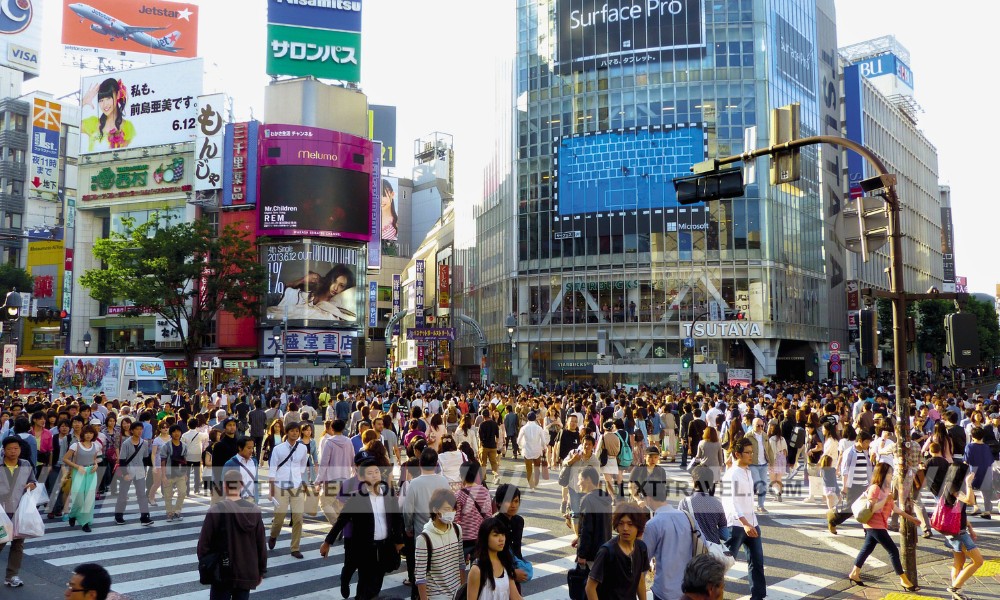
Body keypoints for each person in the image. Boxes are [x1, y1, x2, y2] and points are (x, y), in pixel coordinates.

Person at [321, 460, 404, 600]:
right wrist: (328, 542)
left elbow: (396, 519)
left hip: (384, 546)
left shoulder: (389, 494)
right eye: (370, 473)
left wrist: (399, 541)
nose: (375, 475)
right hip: (366, 548)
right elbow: (342, 520)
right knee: (365, 584)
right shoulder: (356, 498)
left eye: (377, 472)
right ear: (362, 477)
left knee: (377, 583)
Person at [846, 463, 919, 591]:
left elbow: (895, 508)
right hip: (874, 524)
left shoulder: (886, 490)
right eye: (890, 473)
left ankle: (854, 573)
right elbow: (872, 508)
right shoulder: (875, 488)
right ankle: (904, 580)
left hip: (879, 525)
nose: (892, 475)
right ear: (883, 474)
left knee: (867, 549)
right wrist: (886, 499)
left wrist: (912, 518)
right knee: (893, 551)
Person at [197, 470, 267, 600]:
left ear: (224, 485)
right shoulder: (254, 511)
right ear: (242, 485)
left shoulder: (215, 510)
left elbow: (203, 545)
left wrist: (207, 566)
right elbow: (261, 544)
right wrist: (261, 570)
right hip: (246, 572)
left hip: (222, 572)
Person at [402, 448, 451, 595]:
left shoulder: (414, 484)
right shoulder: (443, 480)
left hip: (421, 532)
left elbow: (407, 510)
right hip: (441, 530)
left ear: (420, 463)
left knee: (421, 568)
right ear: (436, 463)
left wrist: (408, 527)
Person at [722, 438, 766, 600]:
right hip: (736, 526)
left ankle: (758, 596)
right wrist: (745, 523)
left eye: (752, 452)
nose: (751, 455)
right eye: (747, 453)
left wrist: (751, 522)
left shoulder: (748, 471)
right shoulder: (731, 475)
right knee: (724, 564)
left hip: (752, 522)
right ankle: (710, 593)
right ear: (737, 454)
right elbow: (730, 502)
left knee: (757, 562)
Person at [643, 468, 693, 600]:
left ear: (648, 497)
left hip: (664, 590)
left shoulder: (653, 524)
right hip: (689, 588)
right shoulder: (687, 516)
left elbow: (643, 561)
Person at [585, 501, 650, 600]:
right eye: (621, 523)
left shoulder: (641, 548)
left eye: (630, 524)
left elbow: (640, 580)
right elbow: (590, 587)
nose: (625, 528)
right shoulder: (607, 552)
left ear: (638, 527)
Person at [940, 464, 985, 600]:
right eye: (967, 472)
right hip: (957, 532)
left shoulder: (952, 486)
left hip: (957, 529)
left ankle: (956, 595)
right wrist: (969, 484)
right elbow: (970, 501)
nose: (969, 474)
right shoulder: (952, 486)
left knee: (959, 562)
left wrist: (970, 528)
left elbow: (959, 511)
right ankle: (955, 587)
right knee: (978, 561)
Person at [415, 488, 467, 600]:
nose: (451, 513)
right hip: (436, 595)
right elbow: (420, 576)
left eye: (453, 509)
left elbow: (461, 563)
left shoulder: (457, 530)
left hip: (457, 592)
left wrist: (463, 591)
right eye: (447, 509)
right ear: (435, 510)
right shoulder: (424, 539)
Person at [268, 421, 309, 559]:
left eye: (297, 431)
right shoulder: (278, 449)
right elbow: (272, 470)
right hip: (280, 486)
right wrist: (271, 490)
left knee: (298, 518)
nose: (295, 433)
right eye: (292, 431)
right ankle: (273, 535)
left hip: (296, 486)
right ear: (287, 432)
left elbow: (303, 466)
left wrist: (299, 478)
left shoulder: (303, 448)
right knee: (279, 518)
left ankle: (295, 548)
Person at [0, 437, 37, 588]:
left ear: (20, 450)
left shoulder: (26, 464)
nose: (13, 451)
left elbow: (33, 481)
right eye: (10, 448)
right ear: (4, 450)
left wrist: (31, 485)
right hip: (2, 511)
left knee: (18, 544)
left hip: (19, 510)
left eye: (16, 448)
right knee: (1, 542)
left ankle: (12, 576)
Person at [266, 265, 357, 322]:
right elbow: (288, 285)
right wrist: (302, 280)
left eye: (341, 285)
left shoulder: (333, 307)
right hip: (281, 294)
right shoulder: (317, 283)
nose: (335, 288)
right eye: (334, 282)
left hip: (280, 305)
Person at [466, 515, 523, 600]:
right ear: (485, 538)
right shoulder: (477, 570)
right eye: (495, 535)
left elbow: (515, 597)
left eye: (503, 534)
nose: (501, 539)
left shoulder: (505, 563)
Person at [62, 424, 101, 532]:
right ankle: (73, 515)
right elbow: (65, 458)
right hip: (78, 472)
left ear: (94, 434)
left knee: (89, 499)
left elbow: (94, 459)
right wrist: (77, 467)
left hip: (91, 473)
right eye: (87, 433)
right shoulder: (76, 445)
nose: (88, 435)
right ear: (83, 434)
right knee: (79, 499)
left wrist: (96, 465)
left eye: (91, 433)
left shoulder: (96, 446)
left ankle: (85, 522)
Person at [114, 421, 153, 526]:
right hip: (127, 471)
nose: (139, 431)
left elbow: (145, 458)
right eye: (137, 429)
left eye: (141, 429)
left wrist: (144, 470)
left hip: (139, 471)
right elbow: (122, 460)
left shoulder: (144, 443)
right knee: (123, 494)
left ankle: (144, 517)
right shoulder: (126, 443)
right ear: (132, 430)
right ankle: (118, 516)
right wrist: (125, 473)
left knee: (142, 494)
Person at [81, 77, 135, 152]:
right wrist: (83, 102)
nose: (105, 104)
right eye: (101, 100)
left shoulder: (127, 127)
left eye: (108, 98)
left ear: (118, 94)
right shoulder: (93, 123)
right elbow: (74, 124)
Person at [575, 466, 612, 569]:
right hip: (604, 550)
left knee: (588, 583)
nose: (578, 484)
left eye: (580, 479)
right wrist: (578, 539)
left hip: (591, 554)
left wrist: (582, 554)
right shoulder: (605, 498)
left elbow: (587, 529)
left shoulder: (587, 500)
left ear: (588, 479)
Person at [516, 411, 549, 490]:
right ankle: (536, 482)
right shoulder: (539, 428)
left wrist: (521, 446)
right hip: (537, 450)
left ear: (527, 418)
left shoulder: (524, 428)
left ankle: (531, 486)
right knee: (536, 467)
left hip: (527, 450)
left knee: (529, 469)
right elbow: (544, 441)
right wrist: (544, 448)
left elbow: (518, 441)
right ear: (535, 418)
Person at [223, 437, 259, 503]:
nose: (251, 450)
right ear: (240, 448)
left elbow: (255, 481)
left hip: (251, 500)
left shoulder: (254, 462)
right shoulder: (230, 463)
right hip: (236, 501)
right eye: (248, 448)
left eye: (252, 448)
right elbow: (223, 484)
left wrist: (256, 498)